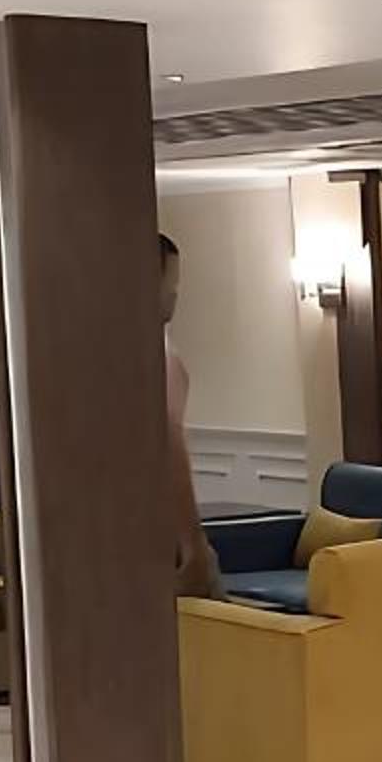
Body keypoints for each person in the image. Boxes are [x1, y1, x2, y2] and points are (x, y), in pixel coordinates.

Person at [162, 234, 220, 599]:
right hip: (161, 533)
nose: (175, 295)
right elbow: (169, 446)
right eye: (171, 283)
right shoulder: (159, 358)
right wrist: (193, 542)